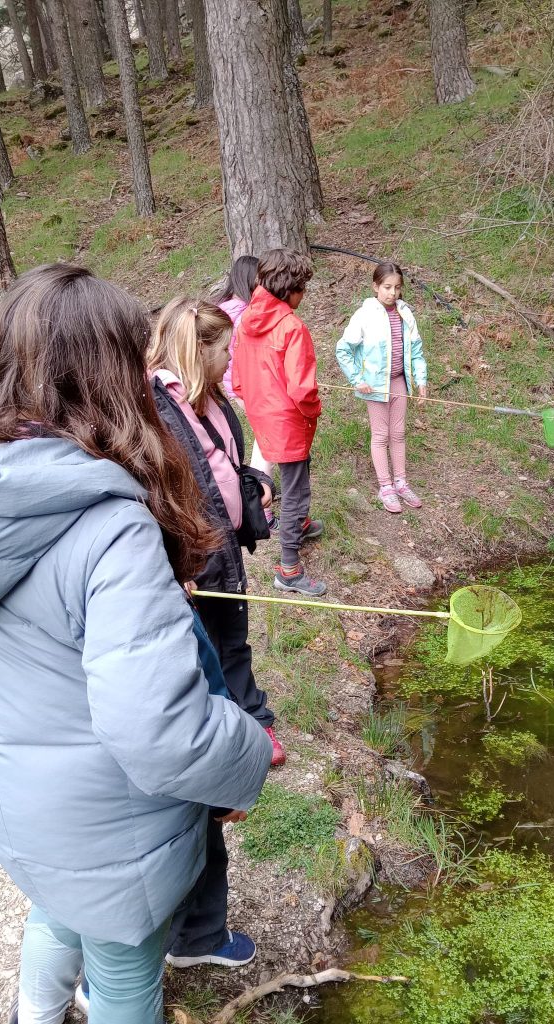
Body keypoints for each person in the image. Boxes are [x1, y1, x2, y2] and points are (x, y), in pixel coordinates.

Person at [0, 265, 272, 1024]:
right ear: (113, 372)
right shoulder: (108, 525)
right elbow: (160, 731)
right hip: (111, 835)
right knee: (124, 981)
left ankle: (36, 1014)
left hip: (16, 809)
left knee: (55, 910)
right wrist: (246, 750)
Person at [146, 298, 286, 767]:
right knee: (204, 644)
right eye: (225, 349)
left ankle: (254, 719)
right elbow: (159, 491)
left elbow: (224, 465)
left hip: (223, 544)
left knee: (233, 634)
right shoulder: (157, 409)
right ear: (199, 349)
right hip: (192, 553)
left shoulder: (210, 396)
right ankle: (224, 733)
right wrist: (175, 560)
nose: (230, 358)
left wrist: (257, 483)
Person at [232, 249, 326, 597]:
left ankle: (298, 525)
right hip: (288, 421)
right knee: (297, 489)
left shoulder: (246, 319)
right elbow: (303, 390)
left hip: (262, 414)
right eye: (303, 288)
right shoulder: (292, 327)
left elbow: (238, 379)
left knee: (294, 474)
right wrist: (314, 409)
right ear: (291, 290)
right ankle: (289, 569)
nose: (304, 295)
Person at [335, 262, 428, 514]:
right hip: (375, 386)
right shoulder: (365, 315)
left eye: (397, 288)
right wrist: (357, 378)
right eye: (387, 287)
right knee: (381, 434)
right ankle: (385, 486)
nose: (392, 293)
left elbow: (417, 351)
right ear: (375, 286)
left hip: (399, 381)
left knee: (398, 433)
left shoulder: (405, 313)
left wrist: (421, 381)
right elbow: (343, 350)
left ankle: (401, 481)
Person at [214, 256, 279, 531]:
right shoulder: (242, 314)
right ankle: (259, 507)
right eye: (259, 280)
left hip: (235, 384)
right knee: (266, 443)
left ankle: (257, 502)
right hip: (248, 386)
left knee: (265, 441)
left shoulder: (223, 308)